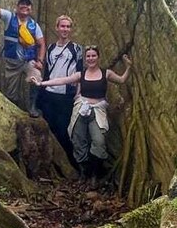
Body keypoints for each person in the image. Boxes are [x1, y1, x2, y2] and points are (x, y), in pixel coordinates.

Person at [32, 46, 132, 181]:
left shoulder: (106, 73)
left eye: (93, 56)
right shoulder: (81, 74)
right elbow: (62, 80)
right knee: (78, 141)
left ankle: (95, 173)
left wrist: (128, 67)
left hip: (98, 110)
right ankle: (85, 173)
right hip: (81, 109)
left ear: (98, 57)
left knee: (99, 142)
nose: (91, 59)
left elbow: (121, 80)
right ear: (85, 59)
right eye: (88, 56)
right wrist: (41, 83)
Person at [38, 15, 82, 165]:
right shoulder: (50, 48)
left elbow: (80, 73)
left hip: (66, 96)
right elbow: (47, 72)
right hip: (49, 94)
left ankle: (70, 163)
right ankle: (52, 163)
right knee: (50, 128)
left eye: (68, 27)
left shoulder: (76, 49)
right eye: (62, 26)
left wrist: (78, 93)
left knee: (64, 130)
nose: (65, 29)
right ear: (57, 28)